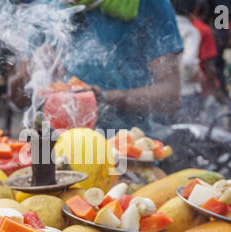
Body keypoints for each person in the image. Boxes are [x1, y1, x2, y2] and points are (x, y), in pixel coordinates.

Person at [65, 0, 184, 133]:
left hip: (125, 144)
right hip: (63, 141)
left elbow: (170, 95)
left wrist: (105, 99)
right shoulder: (54, 5)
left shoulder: (150, 3)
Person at [169, 0, 203, 123]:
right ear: (195, 10)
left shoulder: (165, 26)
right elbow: (188, 62)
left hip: (164, 93)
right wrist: (191, 75)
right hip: (186, 93)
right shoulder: (190, 31)